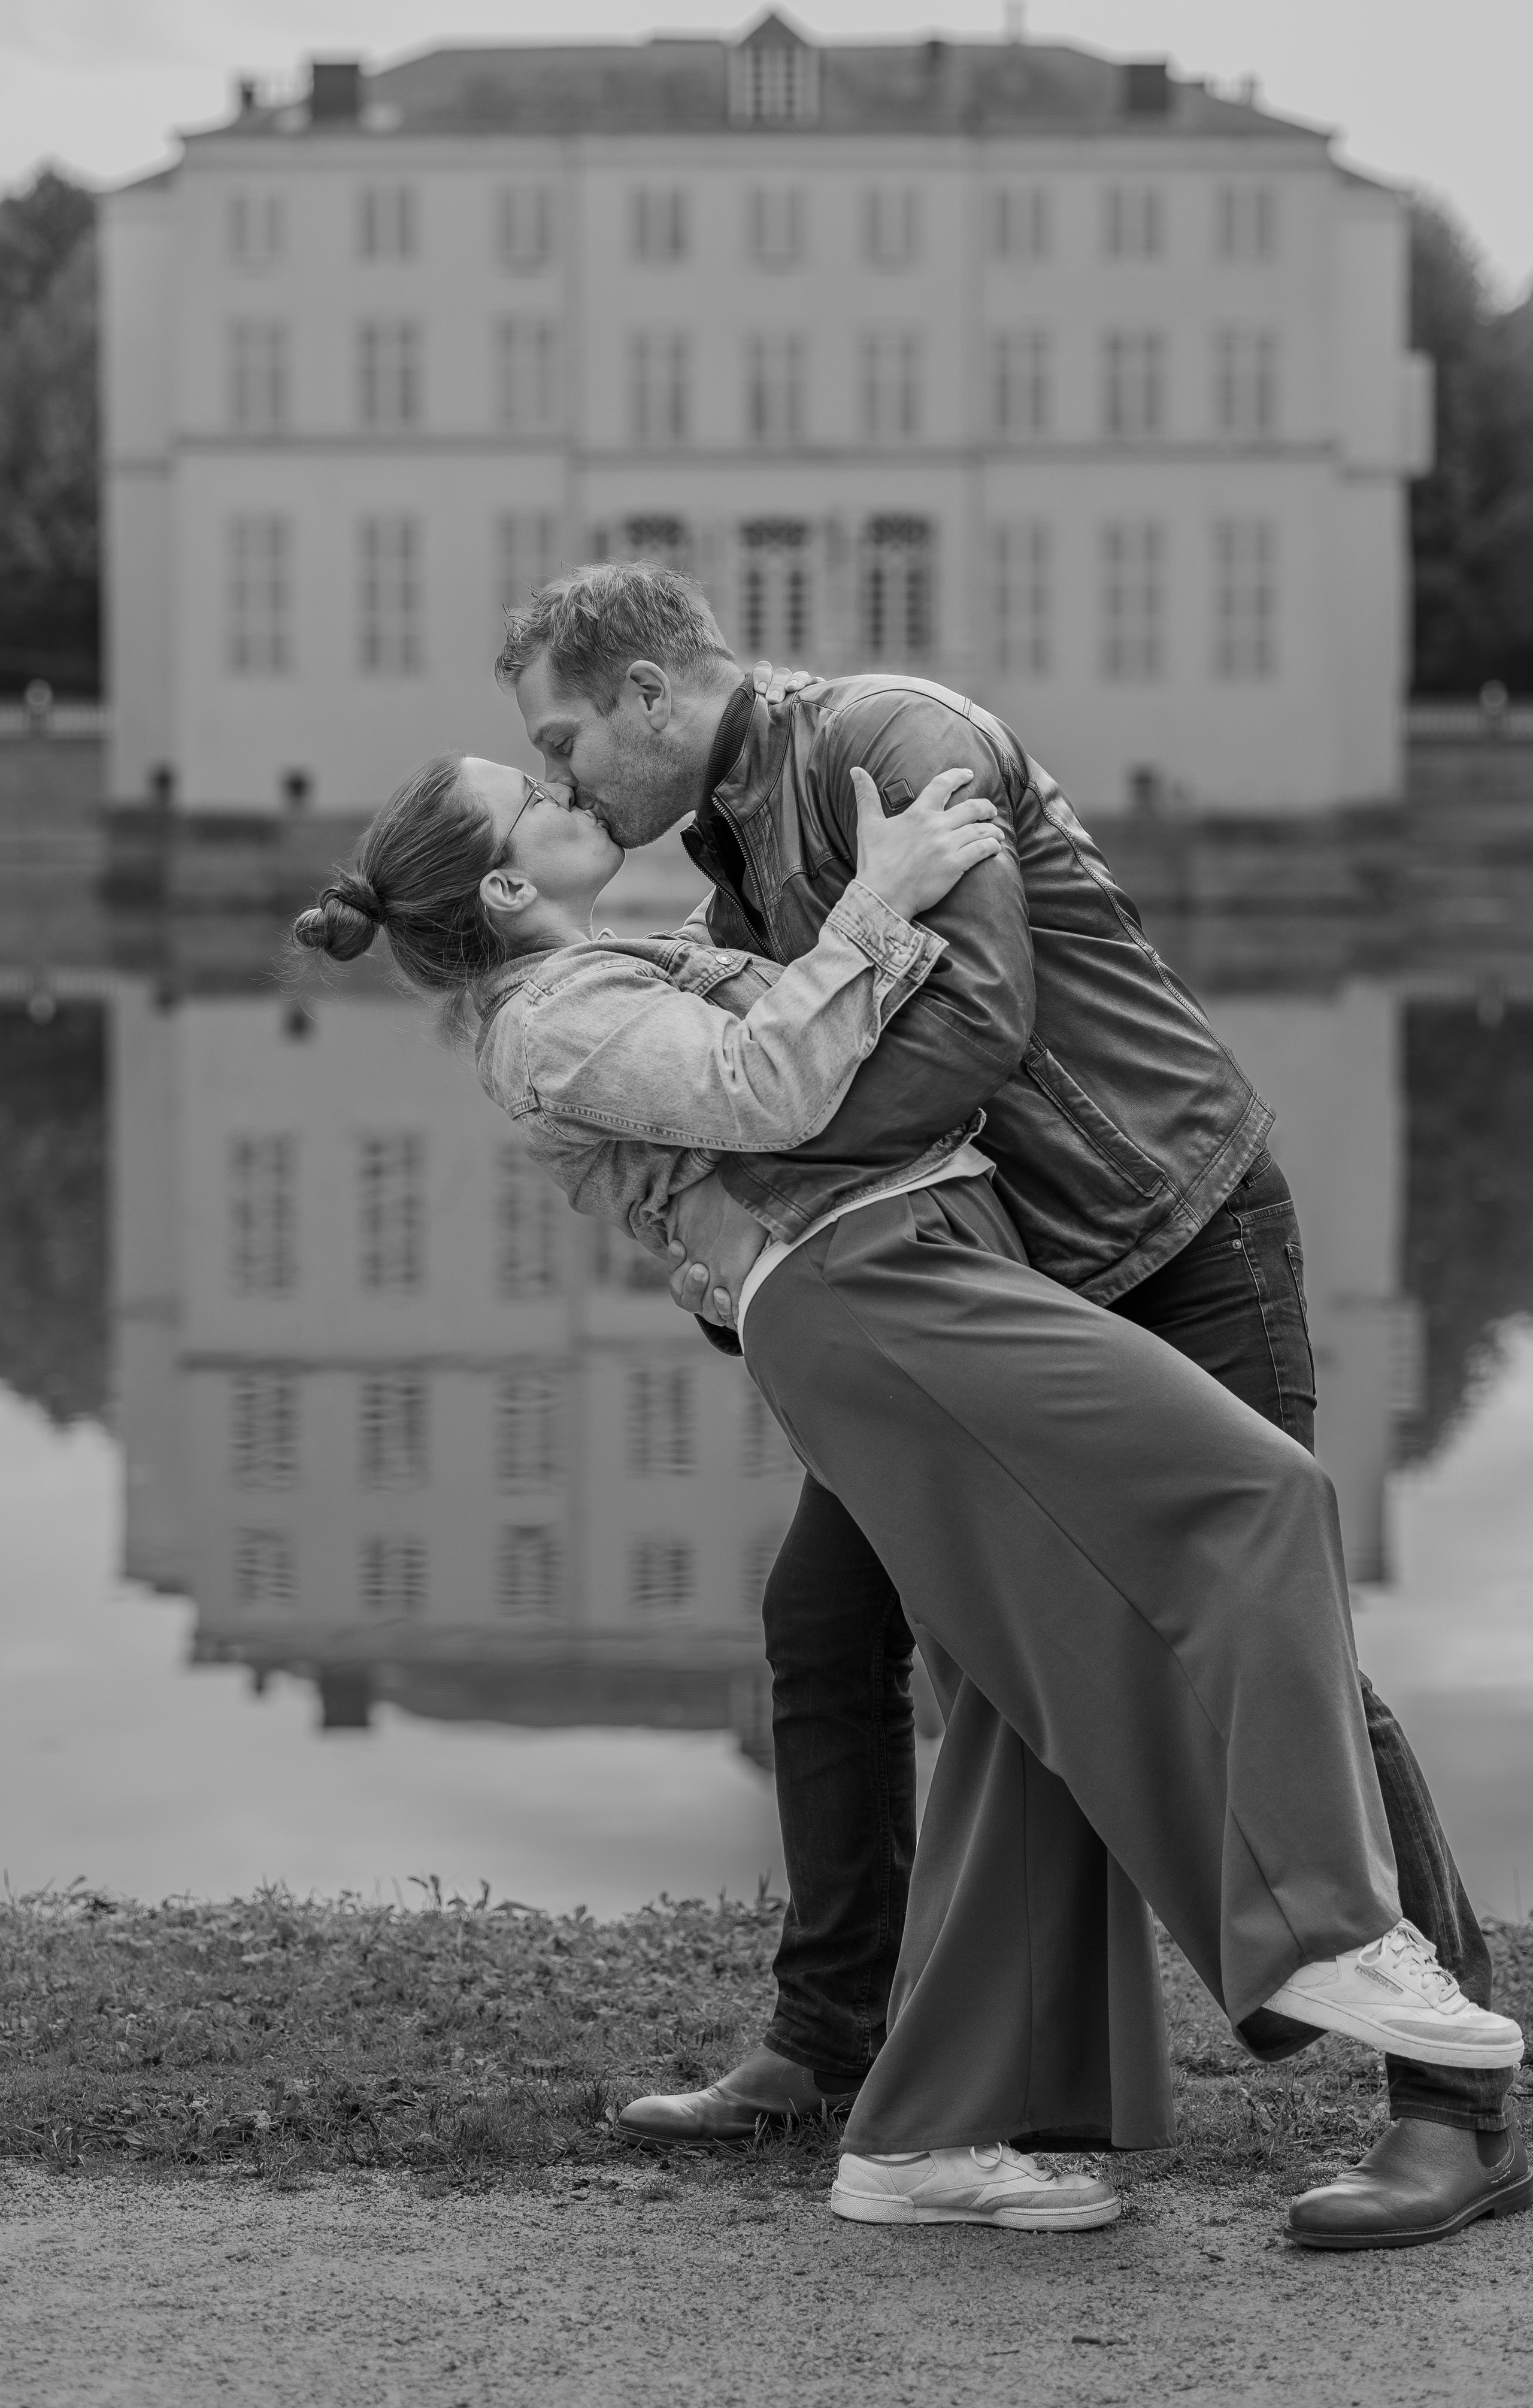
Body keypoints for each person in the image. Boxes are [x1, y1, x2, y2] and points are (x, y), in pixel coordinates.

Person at [293, 746, 1525, 2245]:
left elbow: (804, 1078)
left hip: (981, 1257)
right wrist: (877, 899)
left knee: (1020, 1700)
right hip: (879, 1285)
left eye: (555, 758)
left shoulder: (663, 928)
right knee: (1249, 1503)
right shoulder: (555, 1016)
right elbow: (769, 1086)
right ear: (503, 884)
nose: (566, 788)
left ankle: (935, 2126)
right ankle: (1317, 1931)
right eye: (535, 795)